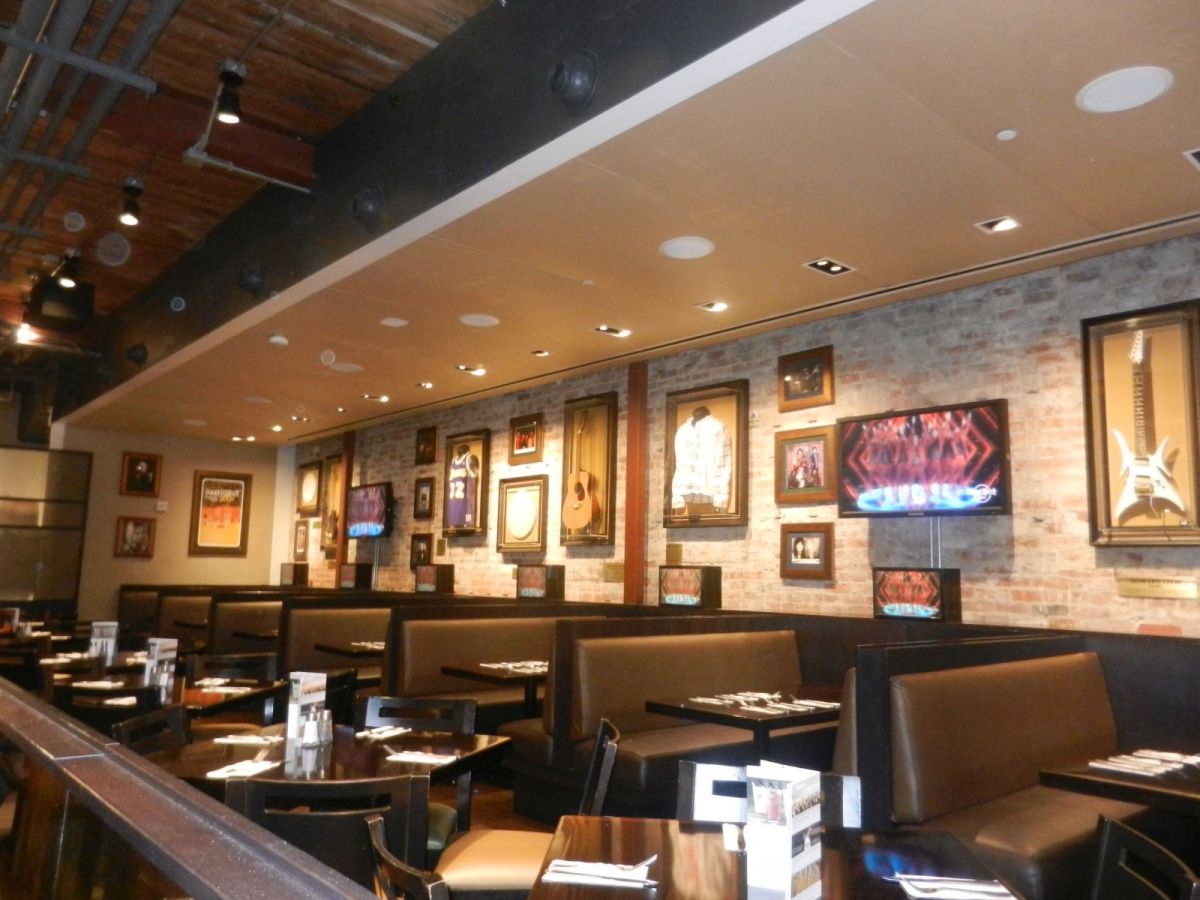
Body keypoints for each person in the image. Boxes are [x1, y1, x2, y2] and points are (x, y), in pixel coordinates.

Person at [671, 406, 732, 512]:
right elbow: (679, 464)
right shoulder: (682, 431)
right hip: (687, 492)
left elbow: (723, 463)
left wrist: (721, 498)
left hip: (710, 491)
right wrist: (678, 498)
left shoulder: (717, 428)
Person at [446, 443, 480, 527]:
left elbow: (473, 477)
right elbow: (474, 475)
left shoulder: (463, 460)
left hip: (459, 504)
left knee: (463, 524)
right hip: (459, 503)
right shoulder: (464, 459)